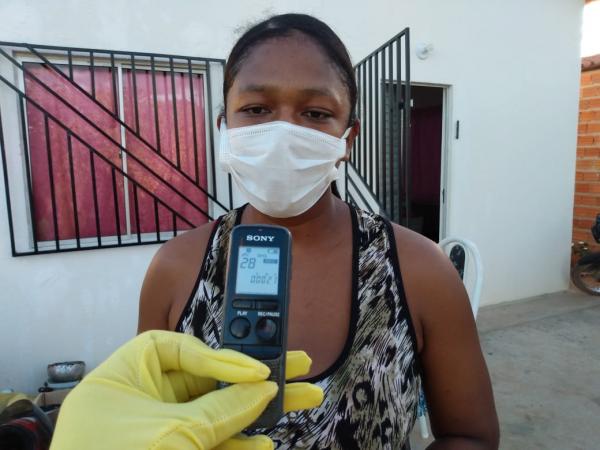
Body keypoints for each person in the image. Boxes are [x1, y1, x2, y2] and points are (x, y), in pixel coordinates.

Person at [138, 13, 500, 449]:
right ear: (225, 130)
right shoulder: (175, 269)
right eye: (256, 109)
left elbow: (471, 436)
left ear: (347, 140)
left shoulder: (421, 271)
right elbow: (148, 424)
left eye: (315, 112)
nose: (284, 133)